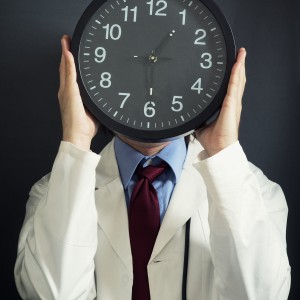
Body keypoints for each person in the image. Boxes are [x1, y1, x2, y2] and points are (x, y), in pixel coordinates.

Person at [14, 35, 291, 300]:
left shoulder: (258, 194)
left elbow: (259, 296)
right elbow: (50, 295)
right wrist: (76, 141)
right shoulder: (52, 194)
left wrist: (222, 151)